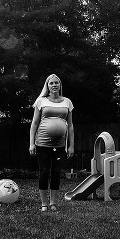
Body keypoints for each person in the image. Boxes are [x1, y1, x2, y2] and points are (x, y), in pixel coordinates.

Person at [29, 74, 74, 211]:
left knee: (56, 172)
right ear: (47, 86)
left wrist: (71, 145)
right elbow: (34, 123)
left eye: (56, 83)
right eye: (51, 83)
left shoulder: (67, 102)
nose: (54, 85)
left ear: (60, 85)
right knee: (44, 172)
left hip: (60, 145)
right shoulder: (41, 101)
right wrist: (31, 143)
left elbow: (70, 126)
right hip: (42, 144)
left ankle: (53, 203)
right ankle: (44, 203)